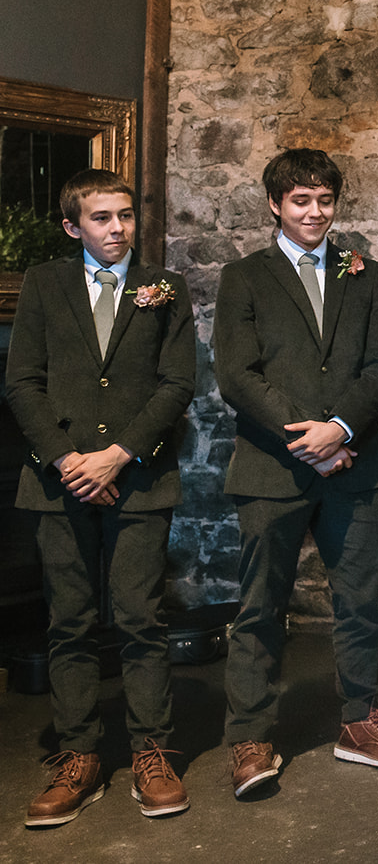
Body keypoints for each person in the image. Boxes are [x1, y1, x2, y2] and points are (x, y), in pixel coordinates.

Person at [214, 147, 378, 798]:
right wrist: (308, 437)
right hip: (272, 465)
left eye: (324, 199)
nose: (315, 211)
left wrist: (342, 429)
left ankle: (361, 723)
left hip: (355, 465)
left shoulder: (366, 273)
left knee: (361, 602)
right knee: (259, 607)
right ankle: (250, 738)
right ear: (276, 204)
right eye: (301, 200)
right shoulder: (245, 277)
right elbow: (237, 373)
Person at [6, 169, 196, 826]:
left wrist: (119, 454)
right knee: (71, 619)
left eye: (125, 215)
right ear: (72, 226)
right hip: (59, 483)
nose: (117, 228)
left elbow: (176, 384)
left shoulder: (163, 288)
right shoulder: (44, 284)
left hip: (139, 479)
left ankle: (152, 751)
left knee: (141, 616)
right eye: (101, 218)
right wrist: (66, 459)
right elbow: (22, 381)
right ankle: (79, 756)